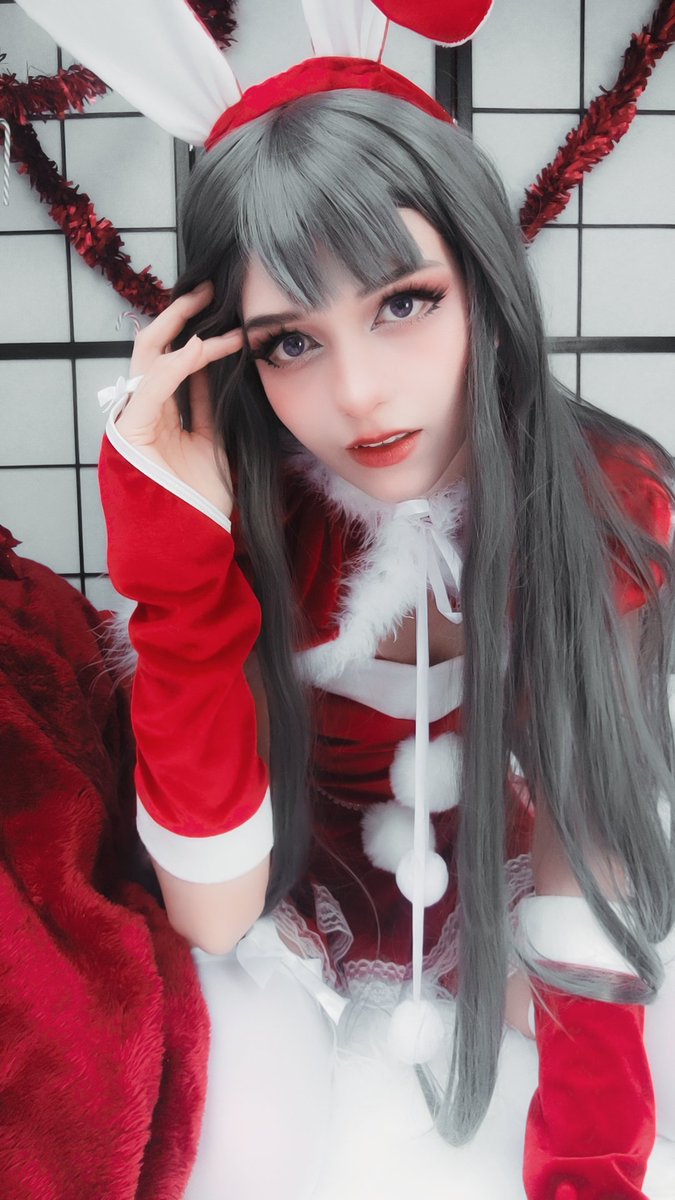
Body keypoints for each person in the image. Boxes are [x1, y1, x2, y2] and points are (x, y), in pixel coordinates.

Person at [97, 85, 675, 1200]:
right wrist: (177, 563)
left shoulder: (596, 500)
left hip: (492, 882)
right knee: (229, 1138)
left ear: (484, 284)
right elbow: (213, 910)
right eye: (291, 341)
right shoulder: (259, 515)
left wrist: (590, 1168)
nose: (358, 394)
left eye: (404, 303)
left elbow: (590, 834)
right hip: (287, 901)